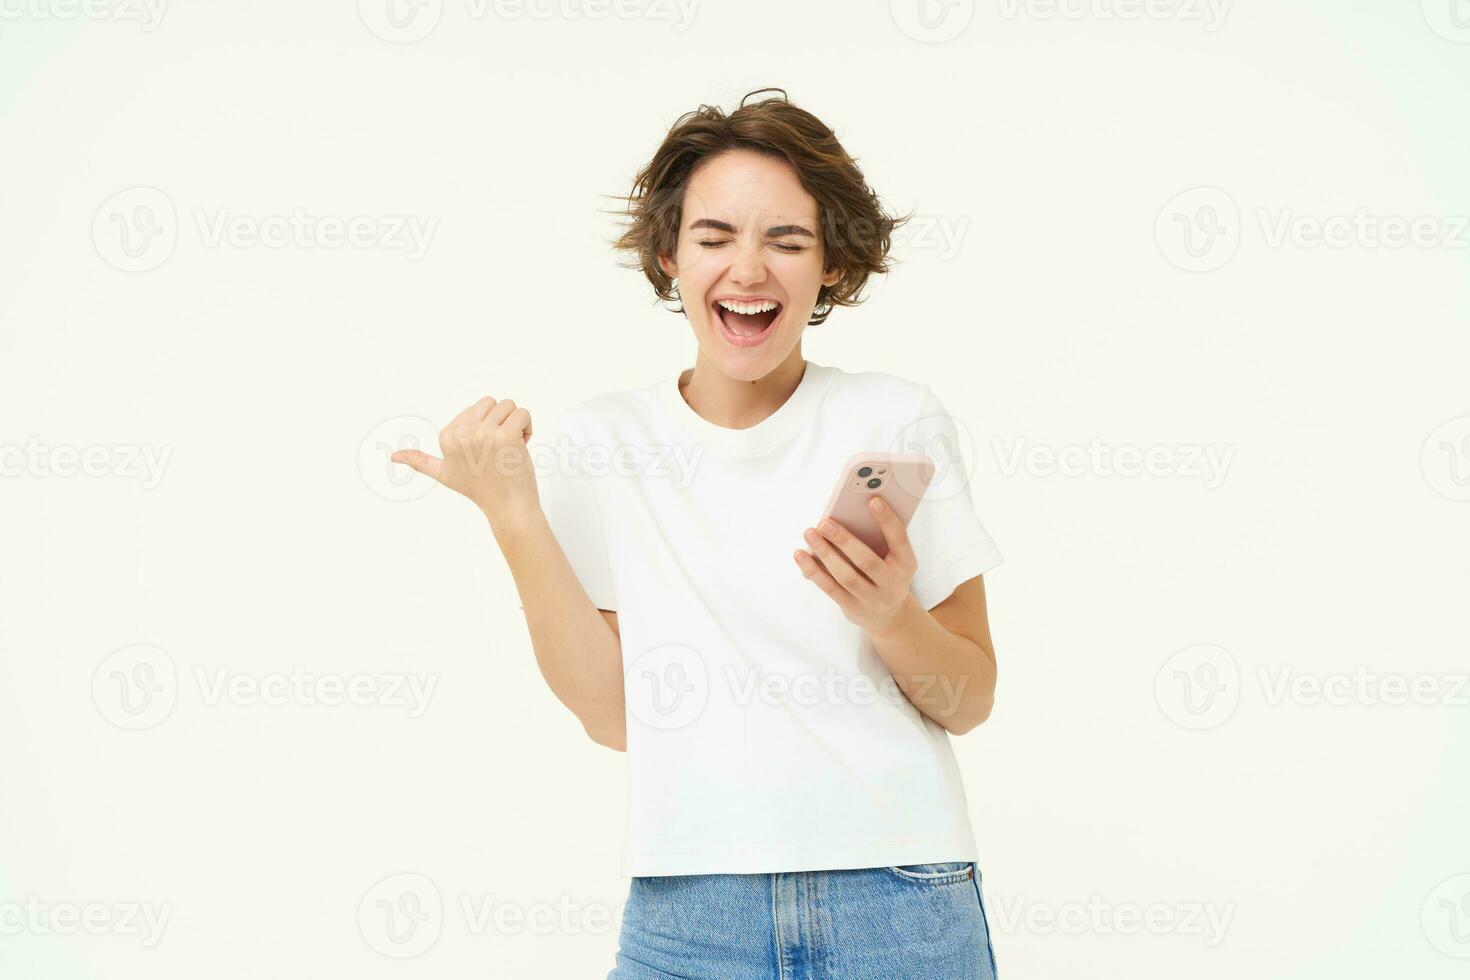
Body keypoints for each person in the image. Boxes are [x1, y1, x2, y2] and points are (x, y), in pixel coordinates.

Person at [392, 88, 1004, 979]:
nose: (748, 270)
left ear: (831, 264)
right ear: (669, 256)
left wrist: (886, 615)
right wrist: (512, 513)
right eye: (715, 238)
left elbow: (971, 697)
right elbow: (612, 717)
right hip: (689, 911)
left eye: (786, 241)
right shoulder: (606, 443)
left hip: (900, 899)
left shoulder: (893, 420)